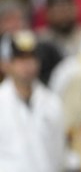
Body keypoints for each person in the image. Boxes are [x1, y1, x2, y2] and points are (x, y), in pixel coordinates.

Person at [0, 29, 66, 172]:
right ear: (7, 64)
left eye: (31, 58)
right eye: (20, 59)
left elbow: (59, 153)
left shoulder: (51, 102)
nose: (27, 65)